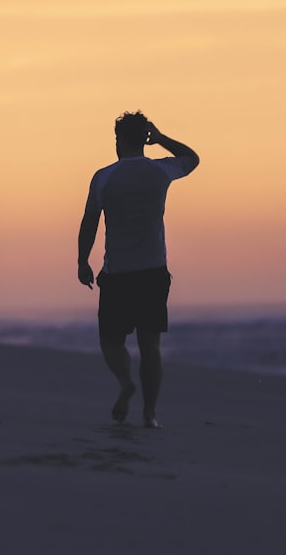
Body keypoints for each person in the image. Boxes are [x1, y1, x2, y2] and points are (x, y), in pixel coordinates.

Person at [77, 110, 199, 428]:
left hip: (118, 273)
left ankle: (125, 382)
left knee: (111, 340)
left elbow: (90, 221)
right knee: (150, 345)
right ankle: (150, 414)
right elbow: (192, 158)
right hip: (153, 271)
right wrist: (161, 139)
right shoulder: (160, 171)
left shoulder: (104, 177)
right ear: (144, 139)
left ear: (120, 139)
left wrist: (82, 261)